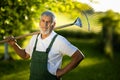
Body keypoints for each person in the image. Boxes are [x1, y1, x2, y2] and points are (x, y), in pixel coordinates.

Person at [6, 10, 85, 80]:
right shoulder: (35, 38)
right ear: (39, 22)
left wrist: (61, 72)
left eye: (48, 22)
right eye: (43, 21)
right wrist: (14, 45)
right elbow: (25, 55)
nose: (45, 25)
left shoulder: (59, 40)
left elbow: (79, 56)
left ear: (53, 24)